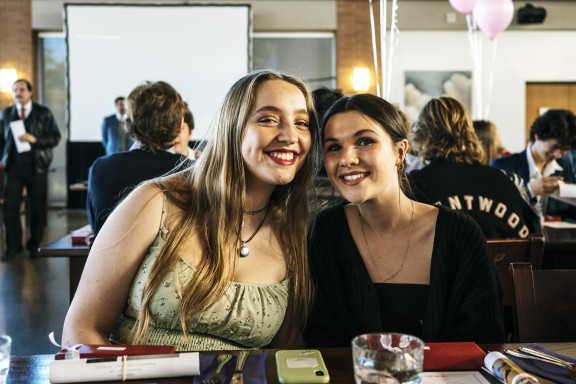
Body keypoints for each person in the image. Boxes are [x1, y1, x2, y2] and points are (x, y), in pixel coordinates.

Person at [62, 70, 319, 351]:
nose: (290, 135)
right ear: (231, 127)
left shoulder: (291, 232)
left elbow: (285, 354)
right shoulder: (155, 201)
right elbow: (81, 331)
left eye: (301, 122)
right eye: (268, 119)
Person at [304, 94, 504, 348]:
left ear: (400, 152)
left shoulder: (459, 233)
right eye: (334, 147)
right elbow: (322, 340)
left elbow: (484, 339)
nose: (347, 159)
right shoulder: (326, 232)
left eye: (364, 141)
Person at [408, 97, 540, 239]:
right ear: (470, 133)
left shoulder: (413, 186)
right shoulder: (506, 181)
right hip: (501, 261)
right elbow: (535, 235)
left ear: (421, 135)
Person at [87, 82, 191, 236]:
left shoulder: (101, 169)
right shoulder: (193, 172)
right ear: (179, 126)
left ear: (128, 124)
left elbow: (97, 229)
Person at [0, 79, 61, 260]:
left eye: (21, 90)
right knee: (10, 207)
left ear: (30, 92)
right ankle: (13, 247)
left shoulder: (44, 113)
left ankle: (34, 246)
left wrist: (35, 140)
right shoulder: (6, 114)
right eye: (15, 90)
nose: (17, 93)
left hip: (37, 166)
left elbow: (55, 137)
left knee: (35, 207)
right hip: (13, 167)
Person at [490, 109, 576, 219]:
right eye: (555, 147)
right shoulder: (503, 166)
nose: (558, 155)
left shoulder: (564, 167)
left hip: (556, 235)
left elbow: (570, 212)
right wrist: (529, 191)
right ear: (537, 136)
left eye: (564, 150)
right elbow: (494, 209)